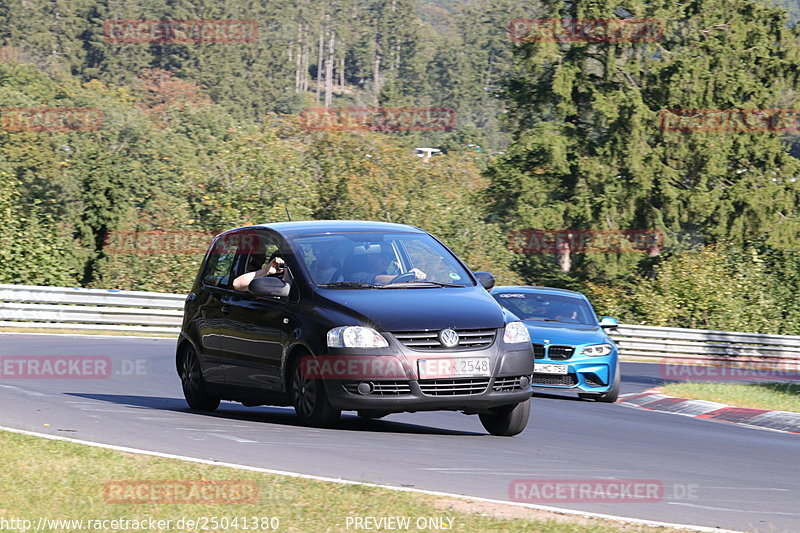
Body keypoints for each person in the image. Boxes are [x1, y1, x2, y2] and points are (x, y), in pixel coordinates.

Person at [349, 248, 426, 284]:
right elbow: (377, 279)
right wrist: (406, 277)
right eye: (383, 256)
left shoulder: (389, 273)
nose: (387, 260)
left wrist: (418, 275)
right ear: (371, 256)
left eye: (390, 257)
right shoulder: (356, 276)